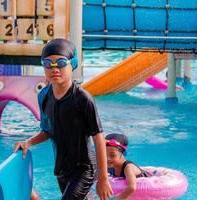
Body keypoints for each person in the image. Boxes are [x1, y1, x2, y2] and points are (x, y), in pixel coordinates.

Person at [13, 38, 113, 200]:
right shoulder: (44, 96)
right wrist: (28, 142)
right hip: (62, 168)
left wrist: (103, 178)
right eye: (48, 64)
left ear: (72, 64)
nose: (54, 69)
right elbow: (47, 131)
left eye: (60, 63)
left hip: (84, 168)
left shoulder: (82, 98)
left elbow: (98, 138)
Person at [105, 133, 151, 200]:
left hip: (147, 187)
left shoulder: (128, 168)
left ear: (122, 153)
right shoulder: (110, 166)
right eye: (105, 155)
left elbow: (132, 187)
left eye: (112, 155)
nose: (108, 159)